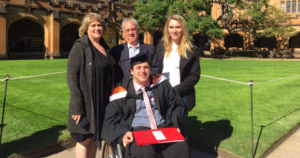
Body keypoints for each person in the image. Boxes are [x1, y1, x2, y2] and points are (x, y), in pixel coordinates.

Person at [101, 53, 190, 158]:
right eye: (138, 68)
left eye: (146, 67)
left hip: (163, 128)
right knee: (147, 153)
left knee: (181, 149)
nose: (142, 71)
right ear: (131, 71)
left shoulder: (161, 84)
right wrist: (122, 134)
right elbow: (111, 119)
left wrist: (175, 123)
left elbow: (176, 105)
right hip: (138, 131)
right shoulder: (121, 92)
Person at [67, 13, 114, 158]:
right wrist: (77, 105)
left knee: (95, 139)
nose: (97, 28)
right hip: (86, 103)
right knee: (84, 140)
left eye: (99, 25)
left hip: (102, 102)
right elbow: (71, 77)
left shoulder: (104, 47)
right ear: (86, 28)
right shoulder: (80, 46)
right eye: (93, 25)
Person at [156, 14, 201, 136]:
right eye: (171, 27)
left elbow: (195, 75)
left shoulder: (191, 49)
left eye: (177, 27)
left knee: (179, 131)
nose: (174, 30)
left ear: (183, 29)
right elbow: (156, 70)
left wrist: (176, 90)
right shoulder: (161, 47)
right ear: (167, 29)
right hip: (162, 94)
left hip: (181, 95)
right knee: (162, 129)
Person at [111, 18, 159, 84]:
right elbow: (115, 73)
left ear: (138, 30)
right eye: (127, 30)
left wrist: (145, 83)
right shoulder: (117, 50)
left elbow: (155, 69)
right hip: (124, 89)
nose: (130, 33)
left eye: (133, 29)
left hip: (146, 88)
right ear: (124, 33)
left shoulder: (150, 49)